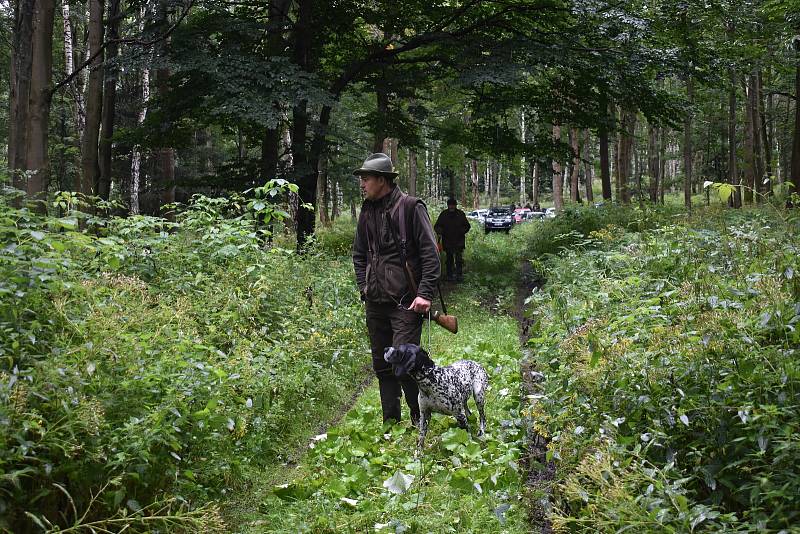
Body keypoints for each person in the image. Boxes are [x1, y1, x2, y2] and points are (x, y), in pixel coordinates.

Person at [352, 153, 441, 426]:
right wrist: (364, 286)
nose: (362, 184)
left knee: (403, 366)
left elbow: (431, 255)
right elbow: (359, 254)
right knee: (382, 366)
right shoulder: (367, 211)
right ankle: (390, 423)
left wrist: (425, 294)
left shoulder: (412, 207)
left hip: (405, 303)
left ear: (382, 180)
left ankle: (419, 419)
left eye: (366, 179)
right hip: (375, 302)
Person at [434, 198, 471, 282]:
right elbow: (437, 226)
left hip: (459, 241)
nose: (451, 206)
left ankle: (459, 275)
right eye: (450, 205)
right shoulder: (443, 214)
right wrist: (440, 231)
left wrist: (461, 231)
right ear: (448, 205)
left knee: (459, 259)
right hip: (447, 241)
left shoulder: (460, 214)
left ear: (455, 205)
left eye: (453, 205)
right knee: (449, 259)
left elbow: (467, 226)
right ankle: (449, 275)